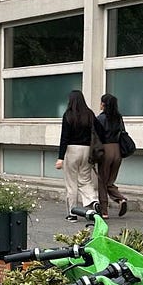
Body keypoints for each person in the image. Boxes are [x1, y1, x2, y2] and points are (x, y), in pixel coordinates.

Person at [54, 90, 99, 221]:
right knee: (85, 180)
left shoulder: (68, 115)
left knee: (71, 183)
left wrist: (60, 157)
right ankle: (93, 201)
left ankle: (72, 213)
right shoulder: (89, 114)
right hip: (87, 149)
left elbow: (64, 137)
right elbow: (99, 130)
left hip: (72, 150)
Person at [96, 94, 130, 218]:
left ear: (104, 104)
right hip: (117, 150)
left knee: (102, 181)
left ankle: (104, 211)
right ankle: (121, 199)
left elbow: (96, 136)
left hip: (106, 149)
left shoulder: (100, 118)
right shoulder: (118, 117)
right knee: (110, 180)